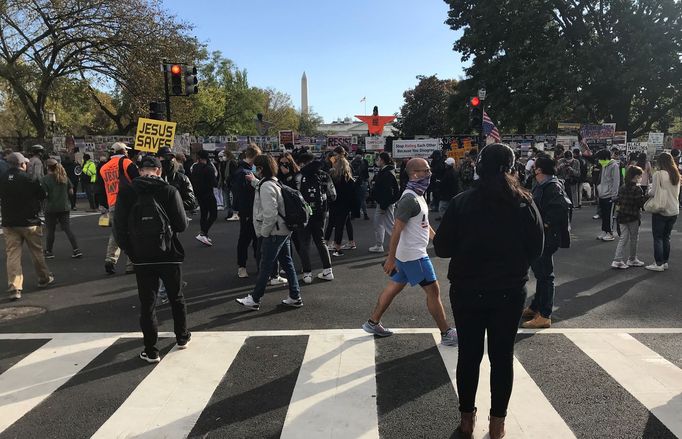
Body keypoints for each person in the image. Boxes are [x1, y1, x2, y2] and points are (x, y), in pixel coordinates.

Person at [434, 144, 544, 438]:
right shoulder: (524, 203)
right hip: (509, 289)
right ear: (512, 168)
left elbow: (442, 248)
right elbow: (537, 249)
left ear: (478, 168)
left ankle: (467, 421)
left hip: (467, 289)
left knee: (468, 356)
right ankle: (498, 425)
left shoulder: (461, 202)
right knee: (501, 357)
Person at [362, 157, 457, 346]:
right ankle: (446, 333)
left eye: (429, 170)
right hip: (414, 255)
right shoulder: (409, 199)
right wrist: (390, 259)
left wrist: (439, 241)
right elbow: (397, 230)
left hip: (410, 254)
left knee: (394, 286)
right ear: (414, 173)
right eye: (426, 171)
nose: (429, 174)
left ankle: (372, 322)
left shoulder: (418, 195)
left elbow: (424, 224)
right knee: (433, 291)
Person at [113, 155, 191, 363]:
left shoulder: (128, 191)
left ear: (140, 171)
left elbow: (118, 227)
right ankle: (182, 337)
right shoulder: (168, 191)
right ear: (159, 171)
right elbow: (182, 225)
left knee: (147, 303)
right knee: (176, 297)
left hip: (141, 256)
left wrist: (130, 250)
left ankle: (151, 349)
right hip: (169, 253)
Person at [235, 154, 303, 310]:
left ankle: (255, 298)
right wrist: (253, 181)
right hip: (284, 229)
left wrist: (263, 233)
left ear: (260, 169)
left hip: (274, 231)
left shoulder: (266, 186)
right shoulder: (273, 182)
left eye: (255, 167)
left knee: (265, 265)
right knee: (287, 263)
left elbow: (270, 214)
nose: (253, 169)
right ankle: (295, 295)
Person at [521, 156, 570, 329]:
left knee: (545, 275)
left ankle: (544, 314)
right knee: (541, 273)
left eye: (534, 167)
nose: (533, 170)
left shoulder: (552, 186)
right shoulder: (544, 184)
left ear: (539, 170)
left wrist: (544, 225)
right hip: (542, 235)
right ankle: (536, 307)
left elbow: (560, 209)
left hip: (547, 237)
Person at [0, 152, 55, 300]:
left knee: (12, 254)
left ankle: (14, 287)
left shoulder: (3, 178)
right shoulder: (28, 179)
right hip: (29, 221)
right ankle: (43, 278)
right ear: (22, 164)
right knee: (36, 251)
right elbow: (42, 194)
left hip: (9, 221)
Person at [296, 152, 335, 284]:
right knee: (320, 240)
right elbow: (333, 194)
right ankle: (328, 270)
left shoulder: (299, 176)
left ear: (302, 163)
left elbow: (293, 195)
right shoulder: (324, 174)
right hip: (321, 212)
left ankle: (307, 274)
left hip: (303, 213)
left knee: (304, 242)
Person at [100, 142, 139, 275]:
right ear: (122, 151)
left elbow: (101, 188)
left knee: (116, 232)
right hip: (128, 201)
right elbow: (137, 180)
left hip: (112, 202)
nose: (128, 152)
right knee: (132, 231)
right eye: (126, 150)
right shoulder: (126, 163)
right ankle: (131, 264)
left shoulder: (104, 167)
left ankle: (110, 260)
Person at [645, 152, 681, 272]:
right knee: (667, 237)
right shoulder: (676, 174)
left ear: (660, 162)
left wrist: (648, 191)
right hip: (674, 209)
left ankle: (658, 263)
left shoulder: (659, 174)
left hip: (661, 209)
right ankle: (665, 262)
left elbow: (653, 192)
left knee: (658, 237)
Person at [41, 159, 82, 259]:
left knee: (50, 230)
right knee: (67, 229)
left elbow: (44, 194)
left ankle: (49, 251)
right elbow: (71, 191)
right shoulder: (64, 177)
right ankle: (76, 249)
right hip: (64, 206)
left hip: (50, 207)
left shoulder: (45, 179)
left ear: (47, 167)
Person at [233, 145, 262, 278]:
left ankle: (247, 266)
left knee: (253, 239)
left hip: (250, 210)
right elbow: (242, 194)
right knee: (247, 239)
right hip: (249, 210)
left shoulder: (244, 170)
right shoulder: (243, 172)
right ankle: (242, 266)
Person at [612, 166, 646, 269]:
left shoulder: (622, 187)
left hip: (622, 215)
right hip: (633, 216)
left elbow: (619, 200)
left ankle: (617, 260)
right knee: (634, 238)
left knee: (623, 238)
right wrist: (647, 197)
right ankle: (632, 259)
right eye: (640, 176)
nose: (640, 178)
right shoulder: (637, 189)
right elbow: (639, 203)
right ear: (636, 176)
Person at [369, 152, 400, 253]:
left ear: (382, 160)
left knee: (384, 224)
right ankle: (382, 245)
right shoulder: (387, 171)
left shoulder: (386, 173)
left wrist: (383, 205)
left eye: (378, 159)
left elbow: (387, 191)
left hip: (385, 203)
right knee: (385, 224)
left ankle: (393, 246)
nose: (377, 161)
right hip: (385, 202)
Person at [326, 157, 356, 256]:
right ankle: (337, 248)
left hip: (334, 203)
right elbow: (352, 195)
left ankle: (325, 243)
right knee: (340, 226)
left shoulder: (332, 177)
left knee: (330, 223)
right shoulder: (349, 179)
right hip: (345, 205)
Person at [190, 150, 218, 246]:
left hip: (199, 194)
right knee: (213, 214)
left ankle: (204, 235)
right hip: (208, 193)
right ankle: (203, 233)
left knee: (204, 214)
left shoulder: (195, 167)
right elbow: (214, 183)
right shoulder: (209, 168)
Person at [596, 148, 620, 241]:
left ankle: (610, 233)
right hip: (602, 193)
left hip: (610, 194)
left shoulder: (614, 166)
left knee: (609, 215)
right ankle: (604, 231)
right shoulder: (604, 165)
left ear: (605, 157)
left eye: (600, 158)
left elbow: (616, 181)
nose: (599, 160)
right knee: (604, 214)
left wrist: (614, 194)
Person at [219, 149, 239, 220]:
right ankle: (230, 213)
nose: (222, 157)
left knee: (232, 199)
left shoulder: (232, 162)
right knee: (226, 200)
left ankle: (234, 213)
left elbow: (234, 173)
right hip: (225, 184)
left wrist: (227, 179)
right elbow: (221, 174)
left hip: (231, 183)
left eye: (224, 155)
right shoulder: (222, 163)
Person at [351, 150, 370, 220]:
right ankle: (365, 214)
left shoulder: (352, 162)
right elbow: (366, 173)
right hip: (363, 182)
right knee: (363, 199)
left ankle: (354, 214)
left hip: (354, 182)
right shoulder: (365, 161)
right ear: (362, 154)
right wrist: (368, 183)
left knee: (354, 198)